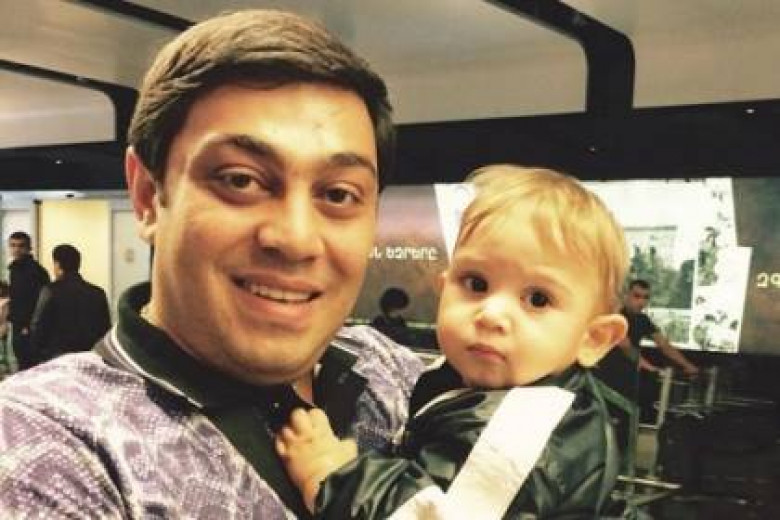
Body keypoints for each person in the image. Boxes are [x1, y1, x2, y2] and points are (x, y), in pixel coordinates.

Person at [0, 9, 423, 518]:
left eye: (338, 194)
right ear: (148, 195)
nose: (295, 239)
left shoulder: (389, 372)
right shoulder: (44, 447)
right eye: (240, 180)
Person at [276, 165, 631, 519]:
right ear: (444, 288)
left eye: (538, 299)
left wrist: (332, 476)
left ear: (593, 338)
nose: (491, 314)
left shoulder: (521, 431)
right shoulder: (478, 383)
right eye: (476, 284)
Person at [29, 244, 112, 363]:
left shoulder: (51, 291)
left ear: (57, 264)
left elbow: (38, 326)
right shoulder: (97, 293)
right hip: (89, 356)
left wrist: (37, 354)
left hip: (58, 356)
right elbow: (105, 328)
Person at [6, 230, 50, 370]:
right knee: (21, 362)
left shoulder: (35, 271)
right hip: (18, 325)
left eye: (21, 246)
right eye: (13, 245)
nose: (16, 250)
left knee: (29, 365)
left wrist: (27, 325)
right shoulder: (14, 270)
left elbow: (38, 302)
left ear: (29, 248)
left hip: (29, 328)